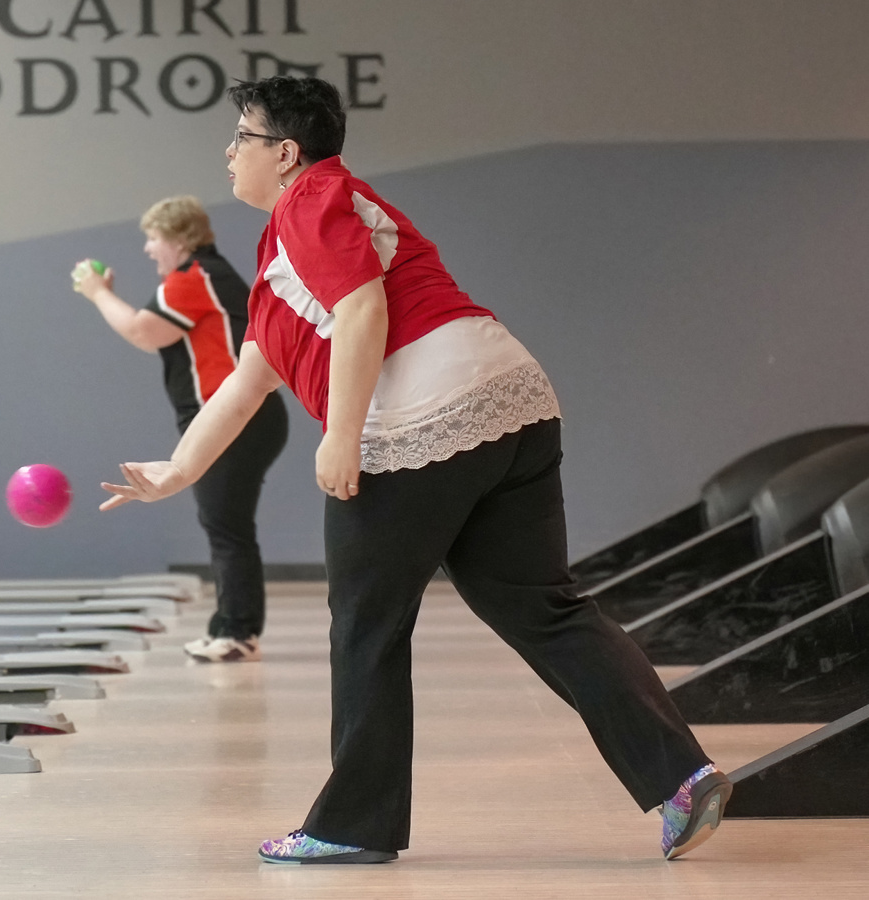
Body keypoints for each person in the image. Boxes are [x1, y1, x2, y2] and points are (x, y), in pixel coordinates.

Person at [98, 76, 730, 863]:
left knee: (367, 622)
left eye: (242, 138)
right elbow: (249, 379)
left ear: (286, 153)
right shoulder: (289, 249)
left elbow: (363, 307)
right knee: (543, 606)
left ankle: (350, 826)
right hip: (509, 397)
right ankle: (681, 777)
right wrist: (178, 469)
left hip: (418, 413)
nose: (229, 153)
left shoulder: (311, 199)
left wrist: (343, 435)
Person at [72, 196, 288, 662]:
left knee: (225, 526)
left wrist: (97, 293)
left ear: (179, 239)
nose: (149, 248)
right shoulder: (208, 274)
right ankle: (230, 627)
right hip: (243, 416)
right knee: (225, 524)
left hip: (234, 418)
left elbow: (143, 332)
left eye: (154, 238)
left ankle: (237, 632)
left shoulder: (194, 278)